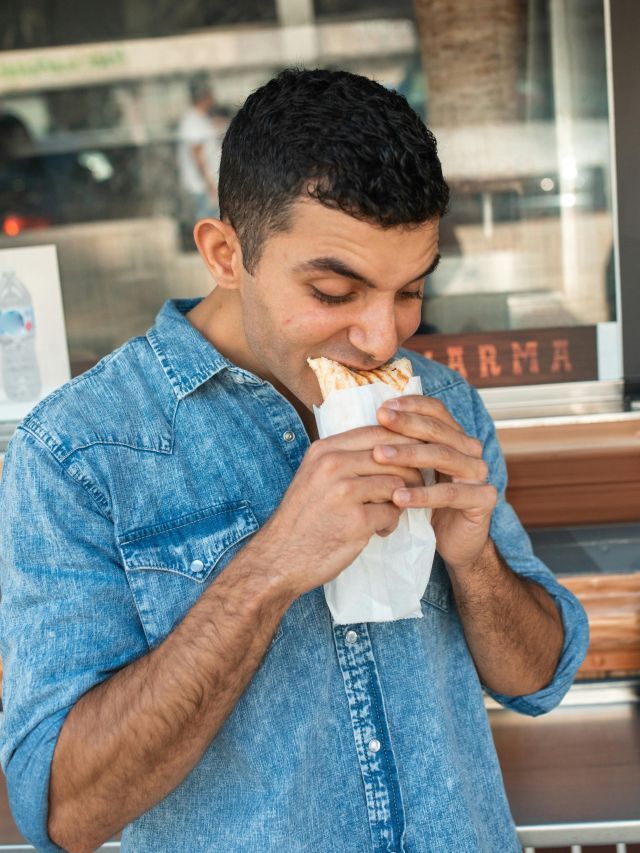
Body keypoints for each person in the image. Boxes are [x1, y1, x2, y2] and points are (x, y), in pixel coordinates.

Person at [0, 68, 588, 853]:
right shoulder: (77, 450)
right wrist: (271, 564)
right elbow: (65, 811)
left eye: (410, 290)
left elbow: (536, 680)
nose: (383, 337)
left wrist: (475, 559)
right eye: (335, 290)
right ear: (224, 253)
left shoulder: (442, 402)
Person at [176, 73, 222, 223]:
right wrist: (209, 185)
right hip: (202, 185)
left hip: (207, 183)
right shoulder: (192, 121)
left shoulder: (200, 118)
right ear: (205, 96)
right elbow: (197, 156)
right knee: (208, 223)